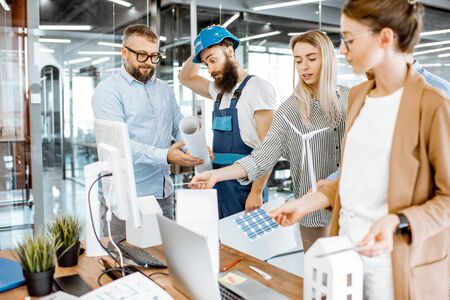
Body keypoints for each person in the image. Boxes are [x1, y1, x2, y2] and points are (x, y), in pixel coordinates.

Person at [270, 1, 450, 299]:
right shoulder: (358, 97)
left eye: (349, 39)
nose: (342, 50)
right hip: (346, 259)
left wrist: (400, 220)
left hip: (397, 269)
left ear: (385, 38)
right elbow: (355, 178)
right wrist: (306, 203)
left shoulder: (433, 104)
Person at [190, 30, 349, 251]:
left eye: (312, 58)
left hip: (352, 214)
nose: (304, 66)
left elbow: (365, 157)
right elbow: (262, 156)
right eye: (298, 60)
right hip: (310, 217)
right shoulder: (289, 110)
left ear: (328, 59)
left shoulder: (352, 99)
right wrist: (216, 175)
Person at [92, 24, 203, 227]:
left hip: (163, 193)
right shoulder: (108, 92)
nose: (149, 63)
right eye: (142, 55)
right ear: (124, 52)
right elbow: (120, 145)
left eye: (154, 56)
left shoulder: (164, 90)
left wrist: (195, 148)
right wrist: (165, 155)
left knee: (164, 256)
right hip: (128, 197)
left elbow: (177, 126)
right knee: (126, 256)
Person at [178, 26, 276, 218]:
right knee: (223, 244)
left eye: (213, 60)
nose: (211, 69)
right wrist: (199, 49)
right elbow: (185, 77)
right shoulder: (218, 90)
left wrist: (256, 193)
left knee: (246, 247)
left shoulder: (257, 88)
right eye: (207, 64)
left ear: (230, 51)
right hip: (219, 185)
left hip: (245, 188)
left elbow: (269, 149)